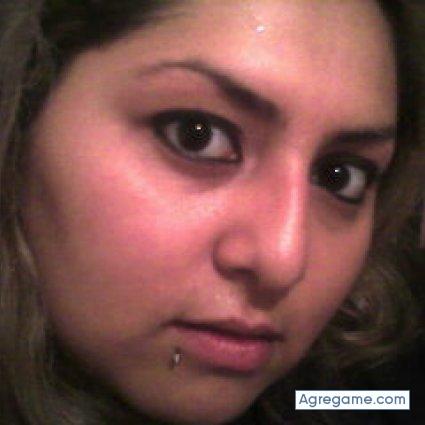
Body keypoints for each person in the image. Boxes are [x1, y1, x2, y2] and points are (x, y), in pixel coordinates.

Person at [0, 1, 423, 424]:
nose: (284, 262)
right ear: (21, 112)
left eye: (340, 176)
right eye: (196, 136)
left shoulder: (342, 397)